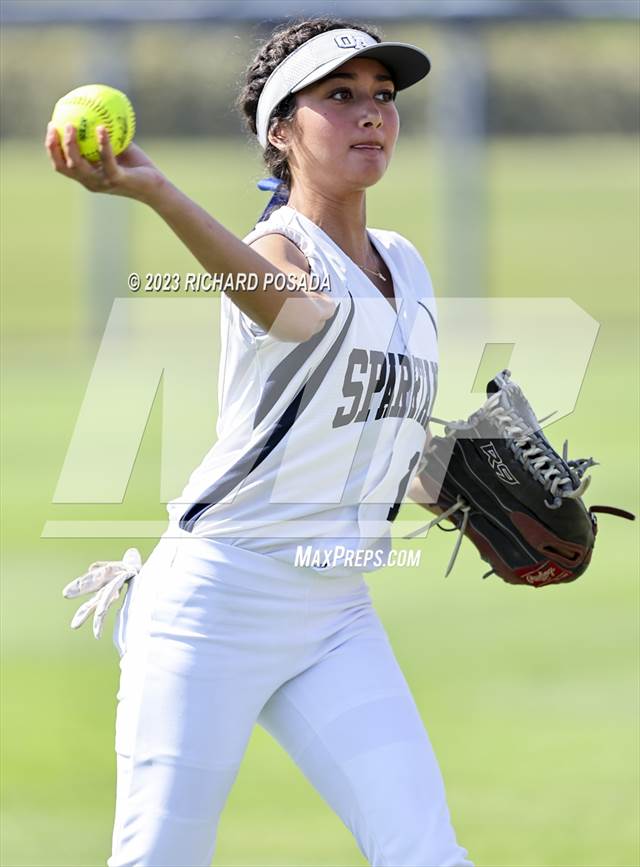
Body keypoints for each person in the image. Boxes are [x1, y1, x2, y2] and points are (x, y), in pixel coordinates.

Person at [47, 16, 472, 867]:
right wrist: (159, 193)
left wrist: (468, 492)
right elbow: (299, 312)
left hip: (336, 611)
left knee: (424, 850)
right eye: (340, 97)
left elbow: (378, 435)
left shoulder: (407, 265)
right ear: (280, 130)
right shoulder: (280, 249)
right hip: (215, 604)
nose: (371, 115)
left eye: (383, 98)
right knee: (161, 855)